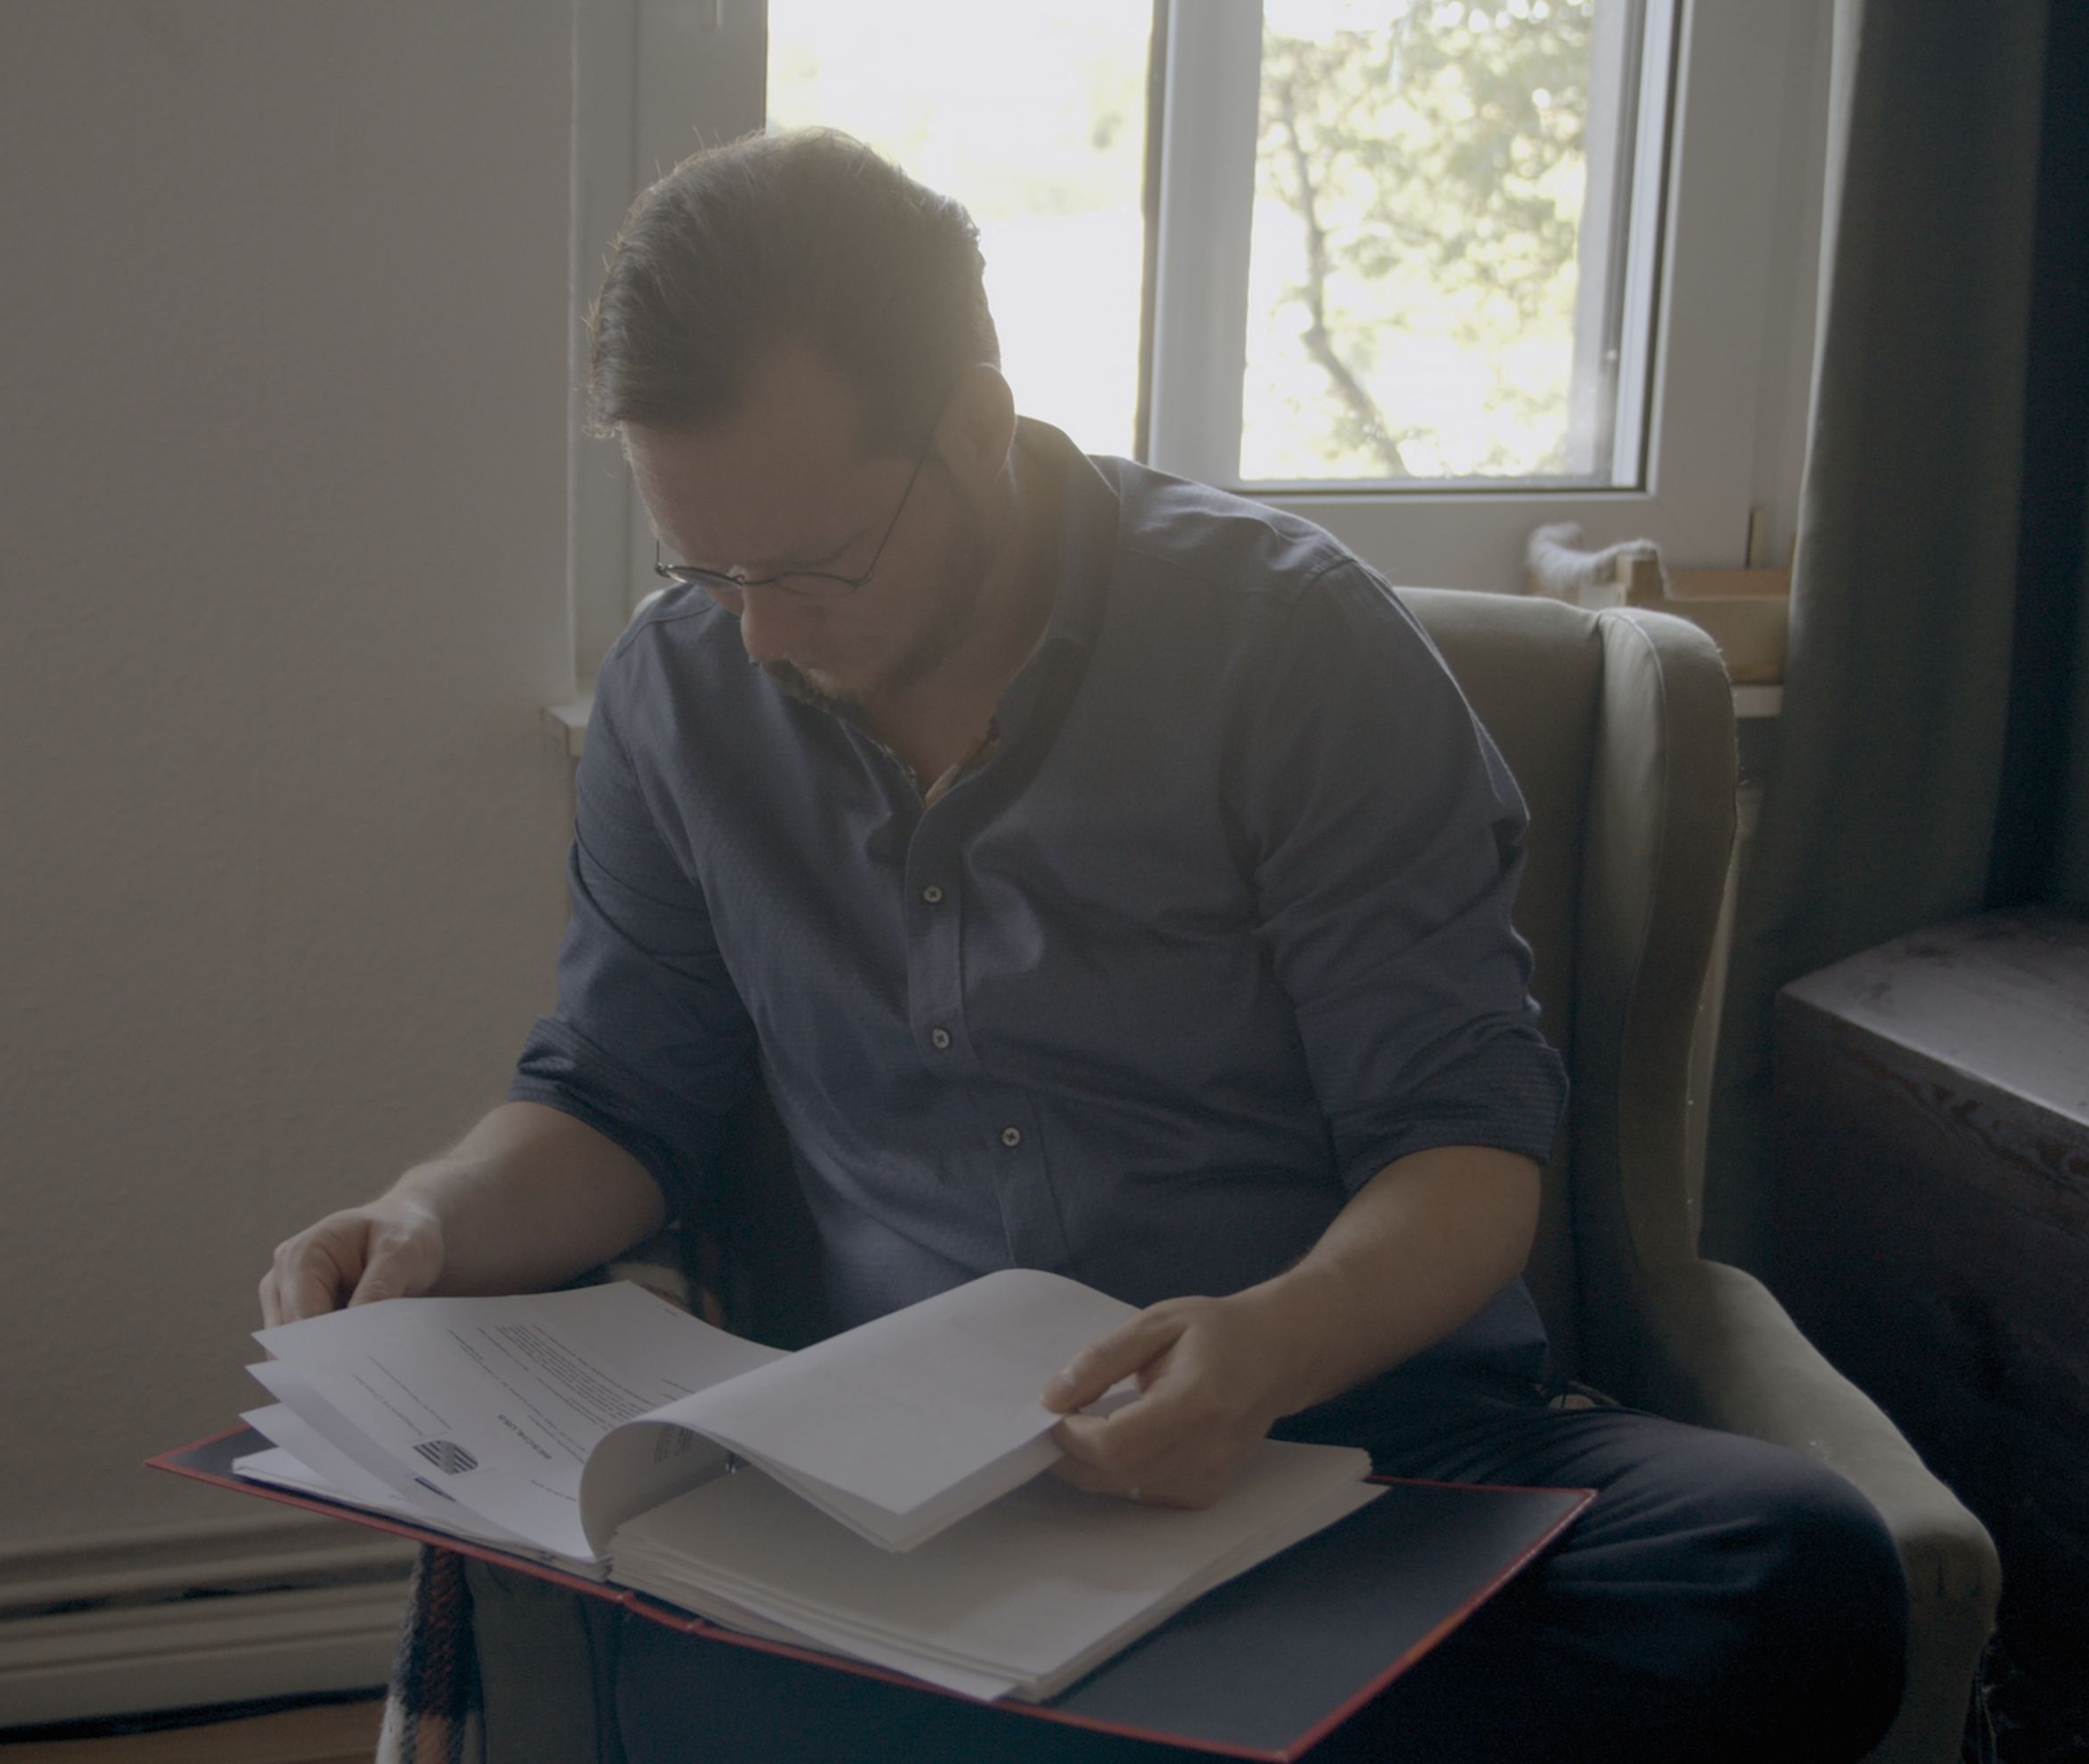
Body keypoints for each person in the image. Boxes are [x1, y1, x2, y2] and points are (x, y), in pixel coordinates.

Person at [263, 128, 1908, 1763]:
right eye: (704, 566)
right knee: (658, 1648)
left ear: (976, 426)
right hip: (903, 1504)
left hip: (1353, 1443)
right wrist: (430, 1216)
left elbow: (1464, 1152)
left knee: (1792, 1574)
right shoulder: (676, 693)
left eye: (814, 565)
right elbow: (617, 1097)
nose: (757, 632)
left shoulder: (1292, 649)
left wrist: (1266, 1346)